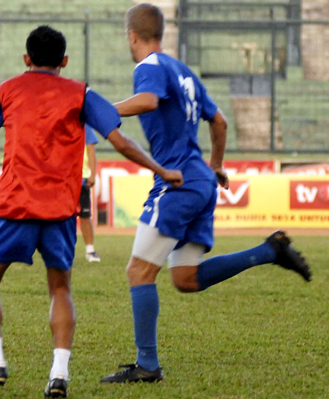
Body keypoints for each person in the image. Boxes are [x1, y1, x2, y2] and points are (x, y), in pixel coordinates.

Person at [0, 25, 182, 398]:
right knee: (60, 287)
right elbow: (121, 141)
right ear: (64, 61)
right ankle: (59, 374)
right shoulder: (81, 93)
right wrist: (161, 170)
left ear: (26, 59)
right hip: (61, 210)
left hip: (14, 205)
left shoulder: (6, 89)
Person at [100, 4, 311, 384]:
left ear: (131, 35)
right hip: (200, 180)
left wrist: (101, 110)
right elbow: (220, 120)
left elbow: (147, 102)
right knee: (185, 278)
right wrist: (215, 165)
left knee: (138, 271)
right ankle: (269, 251)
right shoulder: (183, 72)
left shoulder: (147, 67)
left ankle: (147, 364)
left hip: (177, 182)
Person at [80, 125, 100, 263]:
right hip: (62, 178)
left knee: (85, 215)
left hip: (81, 179)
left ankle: (90, 251)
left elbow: (91, 150)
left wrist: (92, 174)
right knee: (60, 217)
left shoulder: (85, 126)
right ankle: (60, 249)